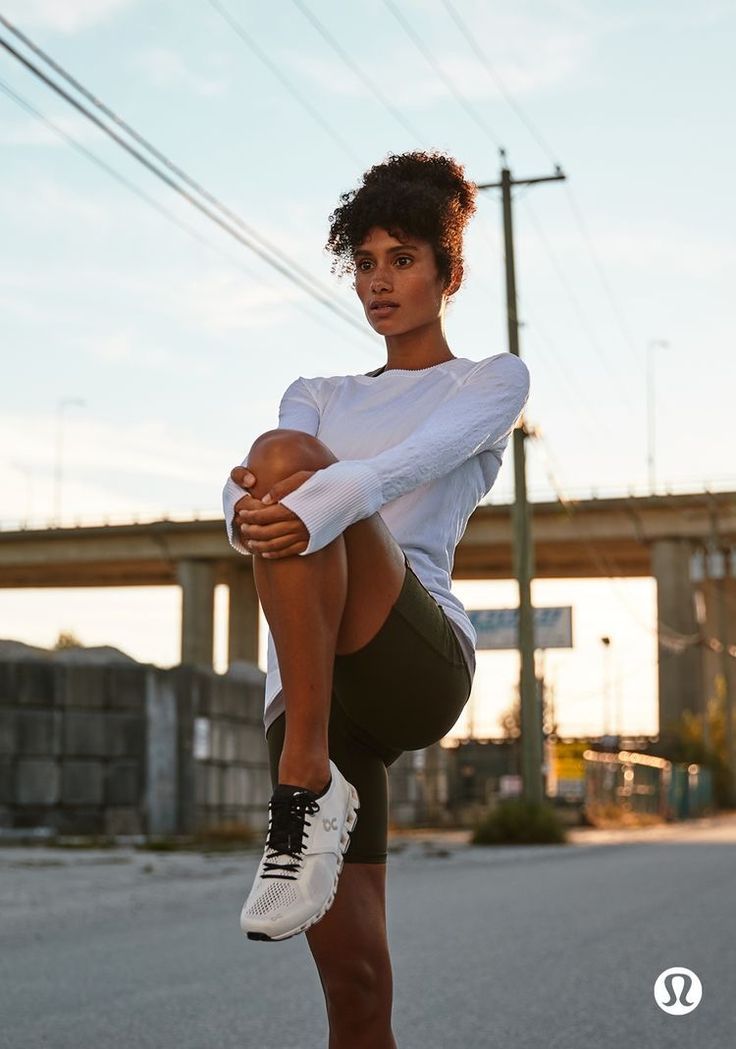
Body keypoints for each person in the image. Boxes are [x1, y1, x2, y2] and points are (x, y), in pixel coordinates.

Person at [221, 150, 530, 1048]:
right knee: (354, 986)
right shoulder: (315, 394)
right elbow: (251, 491)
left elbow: (397, 473)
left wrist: (293, 500)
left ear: (448, 271)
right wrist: (247, 515)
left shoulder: (488, 381)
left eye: (402, 258)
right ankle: (312, 775)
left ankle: (305, 784)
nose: (379, 280)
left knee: (293, 466)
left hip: (411, 654)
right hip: (311, 685)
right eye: (364, 261)